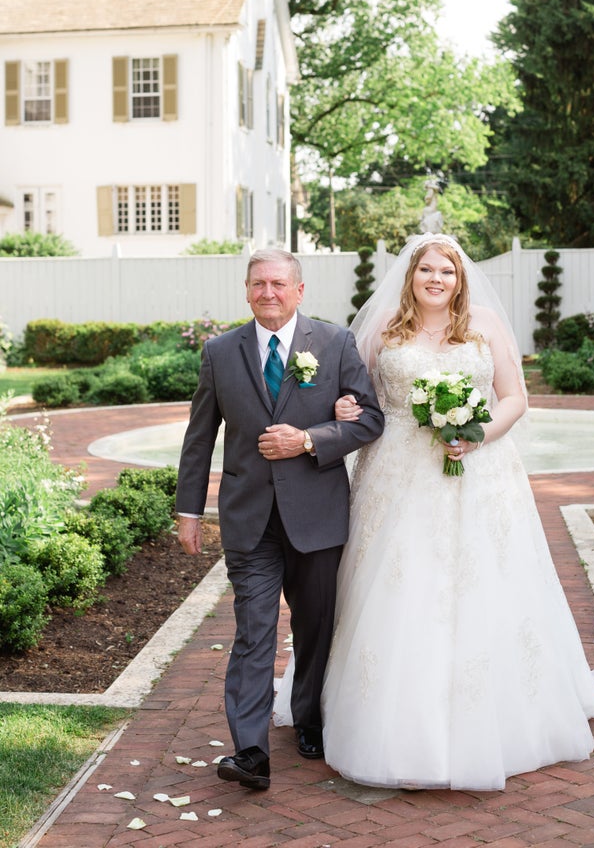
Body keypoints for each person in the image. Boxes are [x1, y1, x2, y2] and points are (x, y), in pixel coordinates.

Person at [320, 233, 594, 791]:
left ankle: (503, 714)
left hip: (481, 474)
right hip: (399, 475)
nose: (436, 279)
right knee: (401, 587)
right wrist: (343, 406)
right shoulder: (384, 331)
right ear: (410, 276)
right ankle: (391, 718)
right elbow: (357, 399)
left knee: (486, 582)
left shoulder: (484, 326)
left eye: (446, 271)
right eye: (426, 269)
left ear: (460, 278)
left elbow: (515, 398)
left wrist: (477, 436)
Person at [175, 248, 384, 792]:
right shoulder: (221, 352)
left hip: (316, 516)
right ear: (246, 291)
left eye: (278, 283)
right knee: (253, 631)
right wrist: (189, 510)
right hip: (249, 519)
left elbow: (371, 420)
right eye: (258, 284)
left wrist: (310, 438)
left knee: (315, 626)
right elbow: (200, 438)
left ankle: (310, 718)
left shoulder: (334, 343)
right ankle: (250, 751)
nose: (268, 292)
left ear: (299, 290)